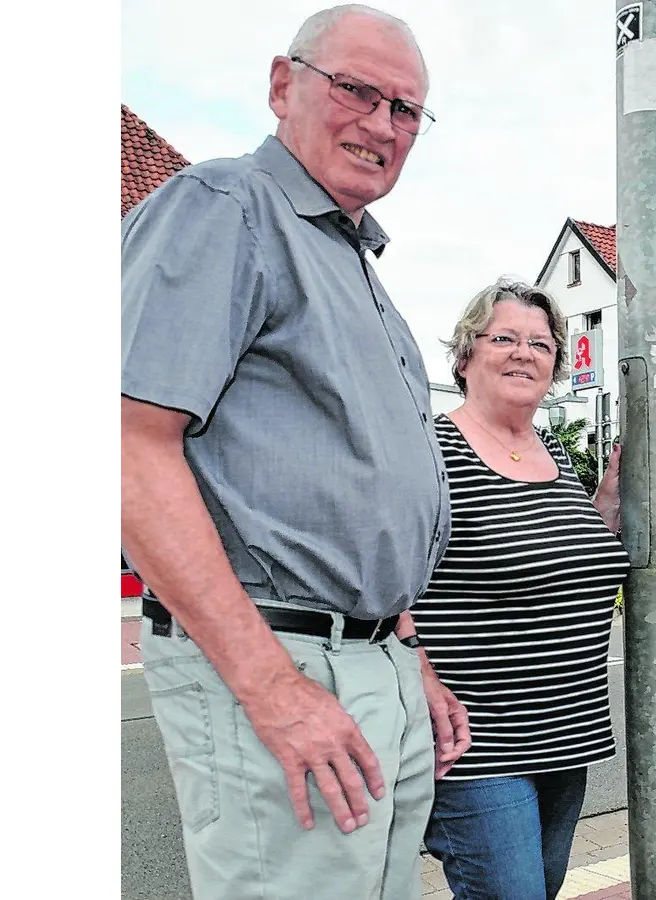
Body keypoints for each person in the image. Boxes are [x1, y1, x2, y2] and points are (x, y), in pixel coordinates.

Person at [120, 6, 468, 899]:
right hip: (281, 661)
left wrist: (404, 654)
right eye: (358, 90)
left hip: (367, 664)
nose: (383, 124)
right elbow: (127, 447)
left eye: (407, 110)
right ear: (284, 85)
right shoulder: (226, 206)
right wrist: (272, 688)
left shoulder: (351, 258)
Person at [400, 279, 629, 900]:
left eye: (541, 343)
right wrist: (417, 672)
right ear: (466, 354)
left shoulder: (551, 452)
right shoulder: (432, 449)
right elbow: (385, 575)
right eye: (504, 338)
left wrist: (605, 500)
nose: (524, 352)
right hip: (476, 744)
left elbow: (565, 560)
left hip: (566, 737)